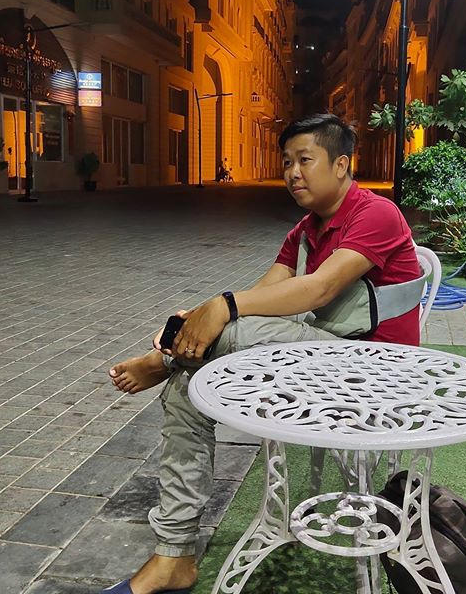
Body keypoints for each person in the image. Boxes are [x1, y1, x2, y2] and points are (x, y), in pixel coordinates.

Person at [101, 114, 422, 594]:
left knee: (226, 328)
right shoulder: (306, 229)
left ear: (341, 165)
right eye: (287, 162)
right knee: (189, 387)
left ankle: (161, 360)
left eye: (304, 160)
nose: (292, 173)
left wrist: (220, 309)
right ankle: (174, 554)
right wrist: (204, 317)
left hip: (377, 373)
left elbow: (317, 289)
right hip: (325, 361)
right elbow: (262, 297)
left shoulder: (377, 214)